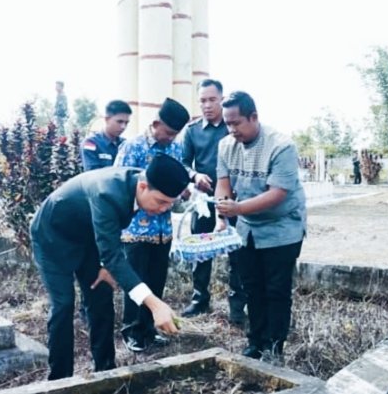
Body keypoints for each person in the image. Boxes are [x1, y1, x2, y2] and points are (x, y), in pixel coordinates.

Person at [30, 153, 187, 380]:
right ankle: (59, 380)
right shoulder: (108, 192)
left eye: (169, 204)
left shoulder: (137, 184)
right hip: (52, 237)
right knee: (63, 305)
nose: (164, 209)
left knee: (101, 296)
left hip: (90, 238)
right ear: (143, 187)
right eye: (161, 201)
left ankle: (106, 372)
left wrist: (105, 264)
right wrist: (154, 305)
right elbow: (114, 253)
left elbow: (110, 239)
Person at [215, 91, 306, 364]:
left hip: (282, 226)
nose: (232, 130)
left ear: (254, 117)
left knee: (276, 289)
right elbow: (223, 182)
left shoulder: (281, 146)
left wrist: (238, 209)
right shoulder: (225, 145)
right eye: (227, 124)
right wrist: (222, 212)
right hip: (247, 227)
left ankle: (275, 346)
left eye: (237, 123)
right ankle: (255, 342)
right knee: (251, 286)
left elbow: (277, 194)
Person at [115, 97, 193, 352]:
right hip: (136, 228)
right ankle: (132, 330)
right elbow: (118, 183)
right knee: (136, 280)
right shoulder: (133, 147)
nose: (171, 138)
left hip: (162, 229)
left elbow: (177, 179)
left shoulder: (175, 149)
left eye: (175, 134)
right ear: (156, 123)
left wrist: (183, 191)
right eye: (168, 132)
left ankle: (149, 330)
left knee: (156, 281)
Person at [180, 79, 246, 324]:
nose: (207, 105)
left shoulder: (233, 127)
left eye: (211, 100)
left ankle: (237, 305)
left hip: (235, 200)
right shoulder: (192, 130)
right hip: (204, 202)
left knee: (237, 254)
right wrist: (194, 175)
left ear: (221, 99)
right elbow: (184, 162)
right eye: (202, 101)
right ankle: (199, 299)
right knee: (201, 250)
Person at [81, 100, 132, 171]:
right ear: (107, 119)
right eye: (119, 122)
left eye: (126, 123)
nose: (123, 126)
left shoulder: (125, 144)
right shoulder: (91, 143)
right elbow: (92, 175)